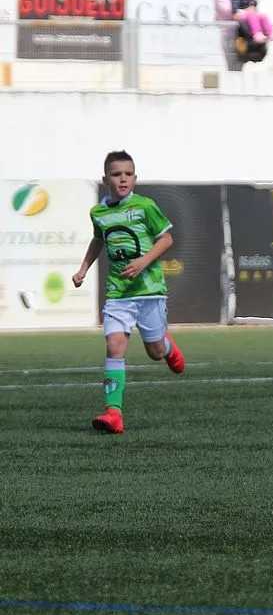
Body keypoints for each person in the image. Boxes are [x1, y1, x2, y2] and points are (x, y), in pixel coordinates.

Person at [72, 150, 186, 434]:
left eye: (128, 174)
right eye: (116, 174)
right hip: (118, 293)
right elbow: (98, 240)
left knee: (155, 352)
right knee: (114, 347)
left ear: (135, 177)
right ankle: (114, 414)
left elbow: (167, 238)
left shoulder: (145, 206)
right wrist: (84, 269)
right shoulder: (98, 212)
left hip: (149, 292)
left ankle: (167, 346)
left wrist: (143, 261)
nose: (123, 179)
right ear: (105, 178)